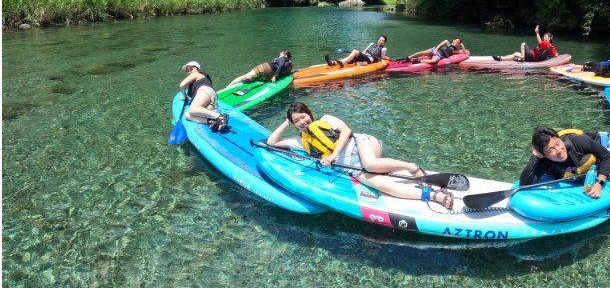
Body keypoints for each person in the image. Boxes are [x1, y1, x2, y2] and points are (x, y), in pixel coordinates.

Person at [267, 102, 454, 209]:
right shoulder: (301, 141)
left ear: (309, 113)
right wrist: (286, 122)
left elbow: (347, 130)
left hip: (362, 144)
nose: (302, 121)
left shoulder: (325, 119)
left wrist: (332, 156)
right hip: (351, 168)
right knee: (381, 185)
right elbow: (271, 143)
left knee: (370, 164)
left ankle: (411, 167)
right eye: (297, 121)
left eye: (303, 116)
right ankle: (432, 195)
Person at [519, 127, 610, 199]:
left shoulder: (577, 141)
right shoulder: (544, 160)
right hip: (591, 164)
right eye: (551, 150)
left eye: (558, 143)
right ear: (543, 154)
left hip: (603, 144)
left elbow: (605, 156)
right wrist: (535, 156)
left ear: (559, 138)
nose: (559, 151)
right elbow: (525, 183)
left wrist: (599, 183)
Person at [180, 61, 228, 132]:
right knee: (187, 115)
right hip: (212, 97)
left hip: (204, 90)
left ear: (198, 69)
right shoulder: (201, 78)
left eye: (192, 69)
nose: (189, 71)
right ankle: (211, 121)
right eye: (187, 70)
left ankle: (219, 117)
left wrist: (184, 96)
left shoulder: (196, 74)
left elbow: (181, 85)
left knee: (192, 109)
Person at [224, 51, 293, 89]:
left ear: (286, 55)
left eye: (281, 54)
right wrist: (275, 76)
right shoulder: (289, 65)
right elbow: (284, 72)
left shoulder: (283, 58)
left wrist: (275, 76)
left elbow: (280, 65)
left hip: (265, 68)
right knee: (256, 78)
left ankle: (228, 86)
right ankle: (250, 80)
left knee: (245, 76)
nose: (280, 55)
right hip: (269, 75)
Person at [492, 25, 558, 62]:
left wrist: (537, 32)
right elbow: (555, 55)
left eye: (545, 36)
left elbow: (540, 42)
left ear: (549, 39)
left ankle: (522, 58)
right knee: (515, 54)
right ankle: (500, 58)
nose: (544, 37)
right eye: (544, 36)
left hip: (533, 57)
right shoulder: (552, 47)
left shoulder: (547, 44)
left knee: (523, 44)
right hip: (533, 57)